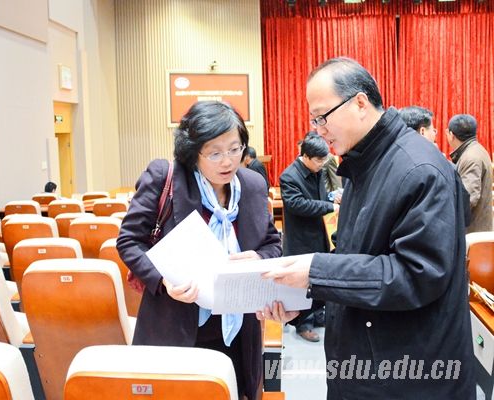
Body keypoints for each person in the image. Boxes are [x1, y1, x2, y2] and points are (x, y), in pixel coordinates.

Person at [258, 57, 474, 398]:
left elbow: (417, 274)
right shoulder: (364, 164)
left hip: (409, 378)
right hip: (367, 366)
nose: (318, 129)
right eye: (314, 119)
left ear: (360, 103)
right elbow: (357, 257)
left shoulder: (418, 169)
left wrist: (316, 272)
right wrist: (303, 296)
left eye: (322, 117)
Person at [117, 101, 281, 400]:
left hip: (237, 329)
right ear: (193, 152)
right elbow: (129, 240)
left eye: (235, 149)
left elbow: (272, 242)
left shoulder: (253, 185)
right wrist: (163, 280)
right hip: (175, 323)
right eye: (214, 153)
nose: (227, 161)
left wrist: (258, 257)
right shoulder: (165, 177)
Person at [279, 132, 337, 342]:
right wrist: (329, 206)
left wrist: (331, 197)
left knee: (319, 276)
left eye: (324, 159)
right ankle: (303, 324)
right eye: (319, 160)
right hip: (301, 238)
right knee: (302, 283)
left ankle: (318, 315)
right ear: (305, 156)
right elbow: (297, 204)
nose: (322, 164)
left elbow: (318, 196)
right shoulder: (289, 176)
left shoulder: (316, 171)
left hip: (318, 232)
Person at [446, 113, 492, 233]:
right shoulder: (475, 150)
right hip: (476, 228)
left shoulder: (471, 157)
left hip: (473, 233)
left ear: (451, 135)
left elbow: (468, 199)